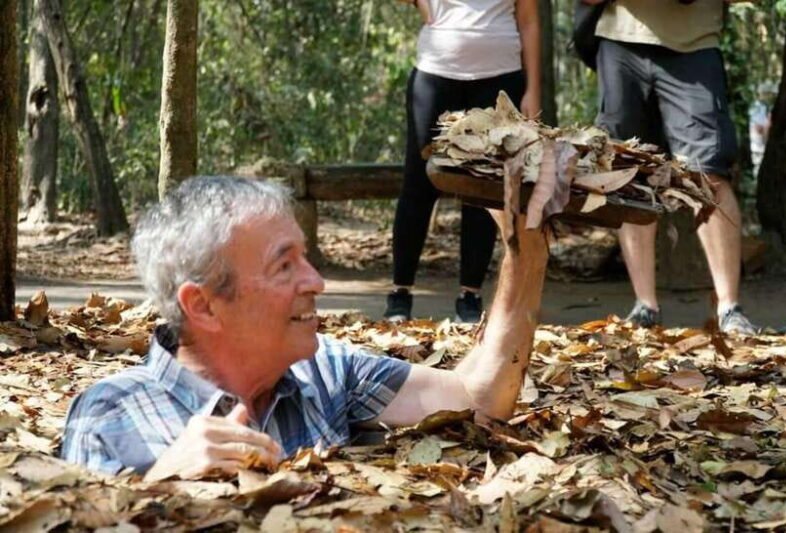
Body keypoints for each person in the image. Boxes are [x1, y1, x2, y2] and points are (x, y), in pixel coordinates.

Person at [61, 176, 549, 479]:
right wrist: (161, 487)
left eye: (306, 258)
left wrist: (525, 248)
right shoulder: (110, 416)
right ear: (204, 306)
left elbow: (479, 398)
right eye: (284, 266)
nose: (316, 281)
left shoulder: (327, 370)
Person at [583, 0, 757, 334]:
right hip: (620, 42)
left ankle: (729, 309)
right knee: (628, 173)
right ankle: (644, 307)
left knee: (708, 173)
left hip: (694, 45)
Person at [385, 0, 541, 323]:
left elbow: (529, 21)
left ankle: (469, 295)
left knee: (482, 187)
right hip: (436, 73)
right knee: (419, 182)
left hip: (500, 78)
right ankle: (400, 293)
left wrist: (533, 90)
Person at [748, 81, 775, 176]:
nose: (771, 96)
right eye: (769, 94)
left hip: (763, 147)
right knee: (759, 172)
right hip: (758, 147)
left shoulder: (766, 107)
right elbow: (759, 128)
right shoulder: (758, 107)